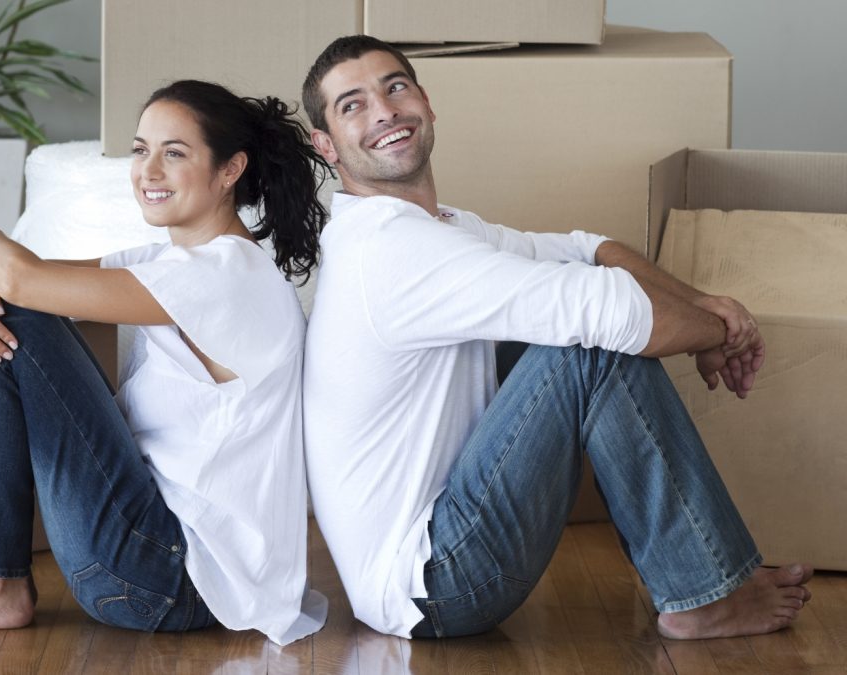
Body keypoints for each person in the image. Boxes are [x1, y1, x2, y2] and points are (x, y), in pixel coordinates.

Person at [300, 35, 813, 640]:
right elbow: (612, 312)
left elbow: (583, 250)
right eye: (353, 105)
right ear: (327, 146)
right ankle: (705, 591)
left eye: (395, 87)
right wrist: (724, 330)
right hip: (436, 583)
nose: (384, 111)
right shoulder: (393, 250)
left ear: (426, 103)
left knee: (579, 312)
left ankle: (701, 579)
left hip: (436, 549)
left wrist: (700, 305)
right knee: (589, 348)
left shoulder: (435, 228)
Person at [0, 80, 330, 645]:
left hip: (168, 579)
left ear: (229, 170)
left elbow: (13, 278)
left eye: (173, 153)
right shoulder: (172, 260)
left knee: (19, 314)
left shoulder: (224, 278)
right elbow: (9, 272)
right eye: (139, 150)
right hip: (157, 564)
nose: (147, 170)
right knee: (13, 305)